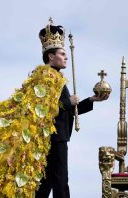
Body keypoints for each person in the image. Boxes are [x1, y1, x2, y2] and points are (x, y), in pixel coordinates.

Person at [35, 21, 109, 198]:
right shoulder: (46, 77)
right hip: (54, 136)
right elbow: (44, 109)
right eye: (62, 53)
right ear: (51, 57)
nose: (66, 57)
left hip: (57, 136)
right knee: (60, 179)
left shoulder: (57, 78)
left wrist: (91, 100)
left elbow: (68, 110)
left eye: (66, 54)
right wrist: (69, 102)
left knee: (47, 181)